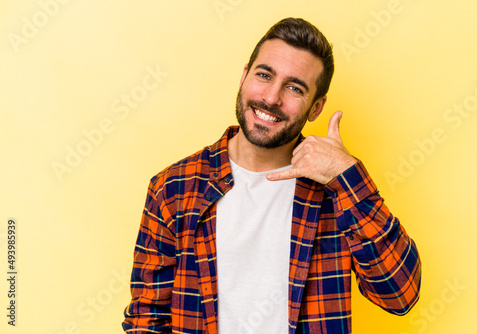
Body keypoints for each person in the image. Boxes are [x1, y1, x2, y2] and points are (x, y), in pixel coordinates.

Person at [122, 17, 421, 334]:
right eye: (264, 75)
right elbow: (148, 319)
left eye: (294, 87)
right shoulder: (173, 188)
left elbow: (399, 295)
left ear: (316, 108)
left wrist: (347, 176)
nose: (271, 97)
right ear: (243, 76)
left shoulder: (338, 191)